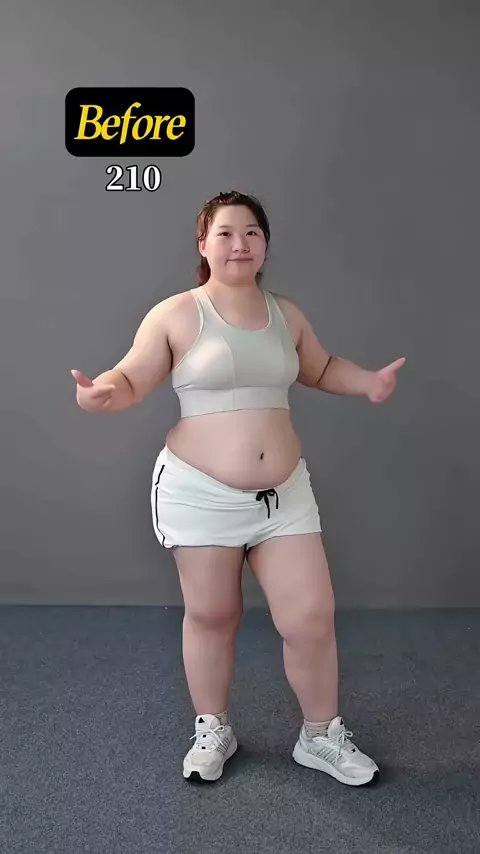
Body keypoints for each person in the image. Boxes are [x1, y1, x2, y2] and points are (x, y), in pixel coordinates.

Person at [72, 190, 405, 787]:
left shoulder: (286, 314)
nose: (239, 244)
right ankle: (214, 729)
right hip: (200, 493)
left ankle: (320, 735)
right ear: (203, 244)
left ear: (265, 245)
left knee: (310, 617)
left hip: (283, 495)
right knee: (212, 614)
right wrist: (103, 393)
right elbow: (130, 376)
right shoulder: (177, 314)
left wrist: (368, 383)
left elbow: (322, 367)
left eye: (252, 232)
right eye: (225, 233)